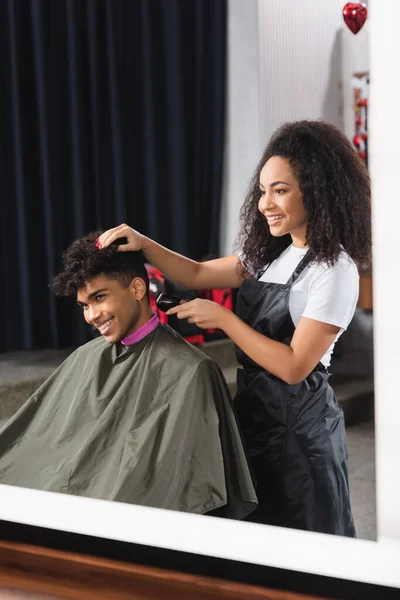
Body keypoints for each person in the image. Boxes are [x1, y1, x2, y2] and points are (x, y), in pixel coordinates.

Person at [98, 120, 372, 536]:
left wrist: (224, 319)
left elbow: (296, 365)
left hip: (303, 433)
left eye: (280, 190)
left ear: (317, 191)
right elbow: (195, 273)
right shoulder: (268, 255)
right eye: (263, 190)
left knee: (307, 551)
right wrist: (144, 243)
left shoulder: (335, 270)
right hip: (255, 417)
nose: (265, 203)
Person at [0, 232, 258, 519]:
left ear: (136, 289)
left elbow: (180, 483)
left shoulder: (190, 370)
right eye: (85, 305)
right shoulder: (86, 357)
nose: (91, 315)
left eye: (99, 298)